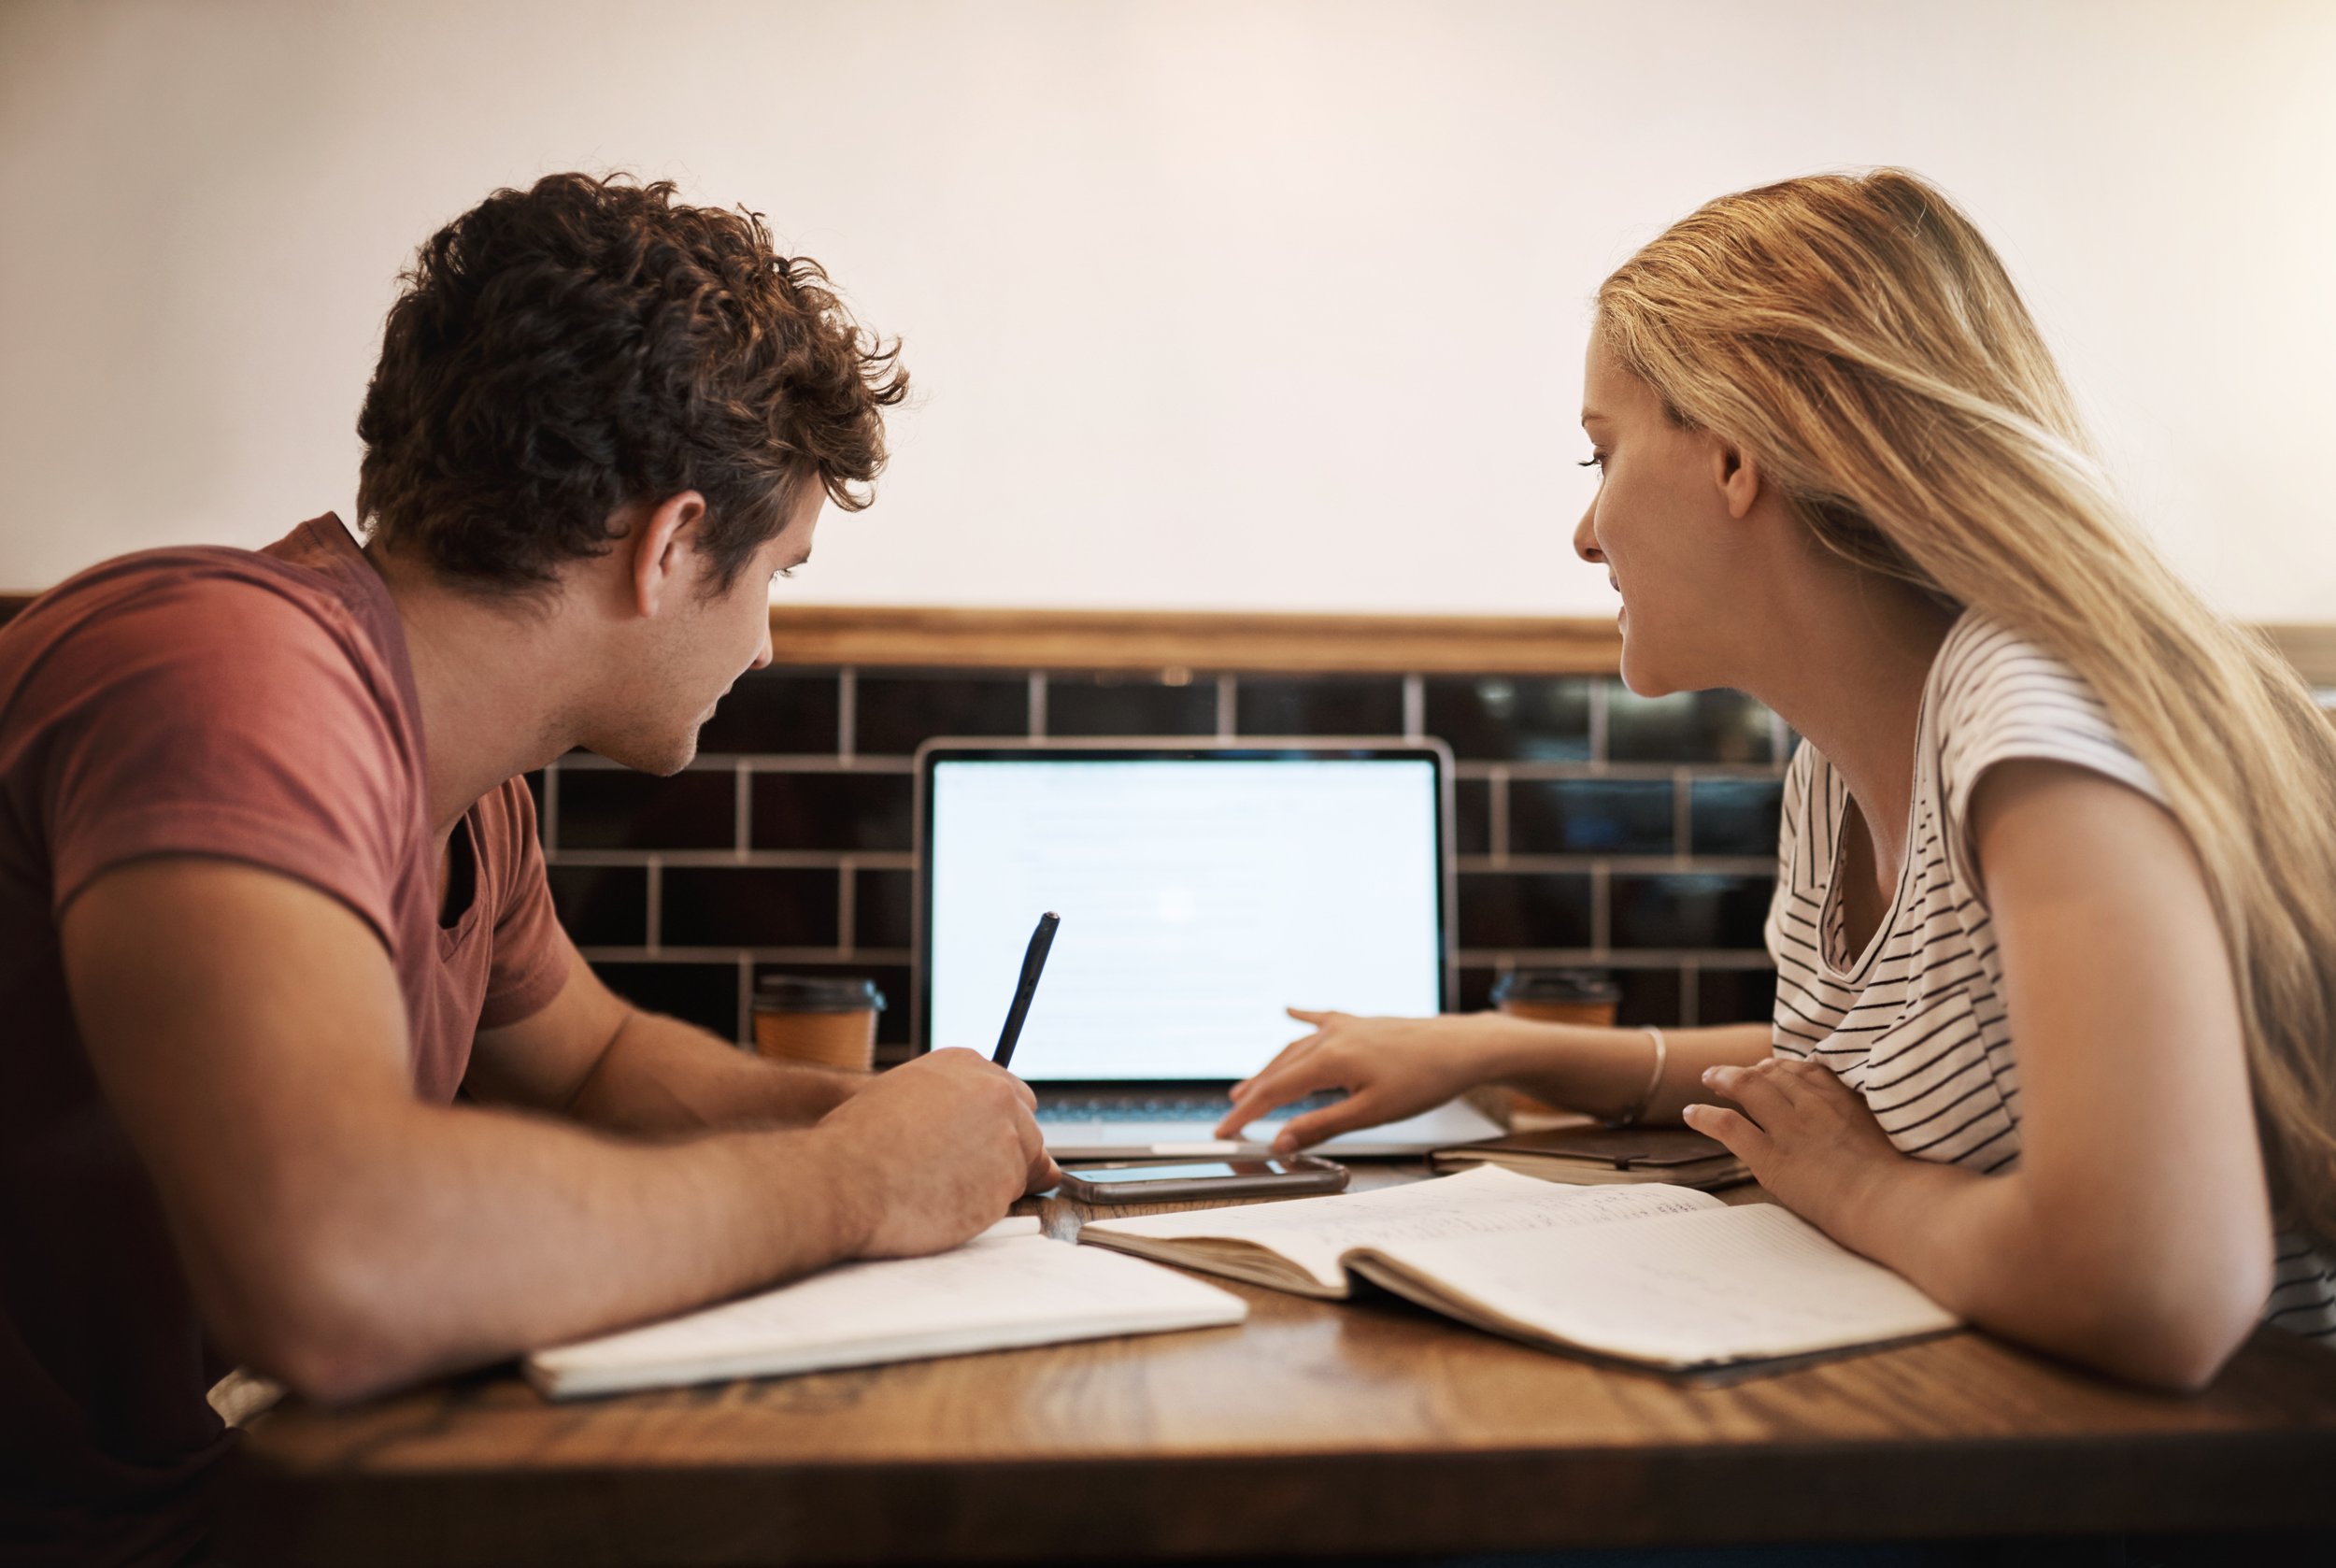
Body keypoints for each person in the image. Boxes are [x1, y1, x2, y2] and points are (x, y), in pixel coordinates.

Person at [0, 173, 1056, 1566]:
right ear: (673, 546)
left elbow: (594, 1064)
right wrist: (858, 1177)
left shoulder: (466, 779)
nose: (766, 650)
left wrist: (913, 1127)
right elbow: (340, 1262)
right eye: (776, 577)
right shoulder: (230, 676)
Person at [1220, 167, 2336, 1390]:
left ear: (1735, 458)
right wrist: (1494, 1048)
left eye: (1602, 455)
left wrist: (1863, 1189)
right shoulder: (1833, 774)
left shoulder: (2029, 714)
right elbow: (1863, 1082)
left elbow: (2156, 1285)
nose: (1587, 533)